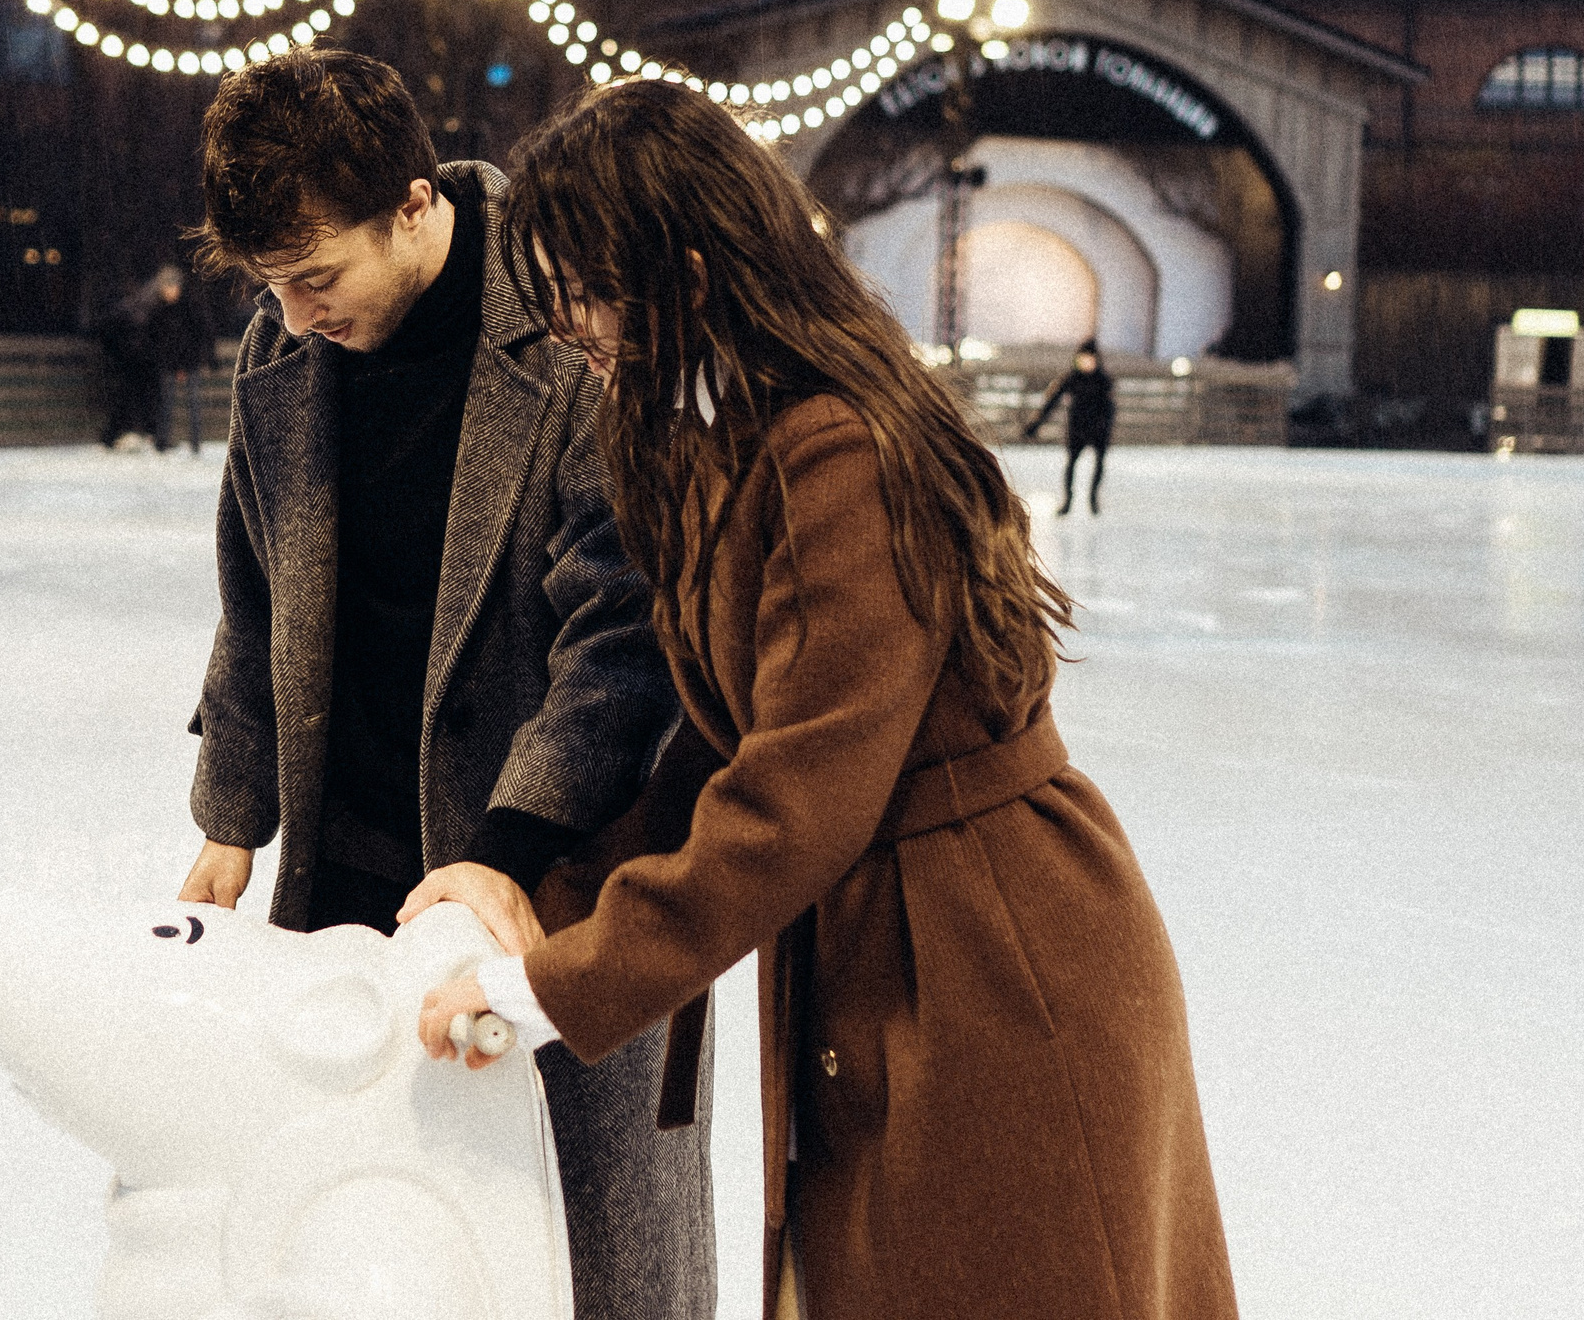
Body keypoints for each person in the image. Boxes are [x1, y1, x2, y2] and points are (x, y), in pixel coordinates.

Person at [406, 79, 1236, 1320]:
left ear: (685, 274)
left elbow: (799, 796)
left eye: (583, 289)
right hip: (885, 951)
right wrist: (543, 901)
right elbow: (716, 754)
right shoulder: (718, 437)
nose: (567, 326)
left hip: (988, 959)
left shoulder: (839, 446)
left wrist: (558, 986)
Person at [177, 52, 712, 1320]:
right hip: (354, 866)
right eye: (271, 285)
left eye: (317, 277)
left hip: (553, 870)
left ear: (415, 207)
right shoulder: (282, 356)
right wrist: (229, 811)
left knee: (582, 1244)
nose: (299, 314)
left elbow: (623, 635)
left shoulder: (577, 329)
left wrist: (509, 854)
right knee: (370, 1225)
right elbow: (254, 589)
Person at [1021, 337, 1117, 514]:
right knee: (1071, 463)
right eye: (1083, 359)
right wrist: (1035, 424)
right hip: (1077, 428)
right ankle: (1068, 501)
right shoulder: (1072, 378)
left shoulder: (1103, 381)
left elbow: (1110, 408)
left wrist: (1104, 427)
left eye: (1089, 359)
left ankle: (1093, 498)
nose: (1086, 363)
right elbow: (1052, 401)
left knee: (1099, 463)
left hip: (1098, 429)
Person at [144, 264, 217, 454]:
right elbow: (153, 340)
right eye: (167, 288)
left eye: (174, 287)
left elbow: (200, 333)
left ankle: (195, 442)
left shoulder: (189, 307)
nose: (171, 292)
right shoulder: (157, 311)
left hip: (189, 361)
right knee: (164, 402)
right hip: (167, 363)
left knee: (193, 404)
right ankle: (162, 440)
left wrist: (206, 358)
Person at [96, 274, 165, 450]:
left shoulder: (137, 311)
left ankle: (139, 434)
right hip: (132, 363)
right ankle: (117, 435)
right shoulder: (132, 311)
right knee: (130, 401)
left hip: (138, 363)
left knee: (133, 401)